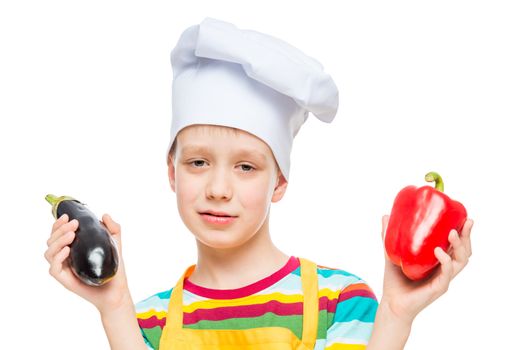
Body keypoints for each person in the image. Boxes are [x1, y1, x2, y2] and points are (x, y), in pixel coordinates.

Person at [44, 17, 474, 350]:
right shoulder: (148, 322)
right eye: (197, 162)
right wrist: (114, 306)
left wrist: (396, 316)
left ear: (279, 182)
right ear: (172, 173)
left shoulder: (340, 301)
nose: (218, 188)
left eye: (246, 167)